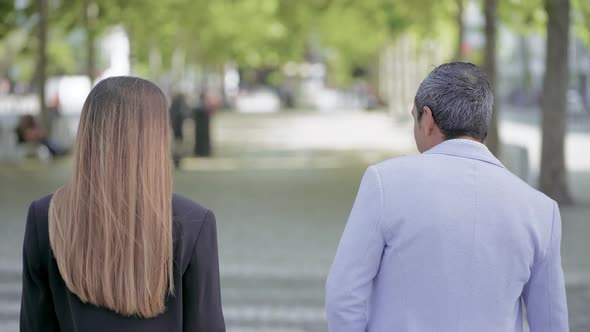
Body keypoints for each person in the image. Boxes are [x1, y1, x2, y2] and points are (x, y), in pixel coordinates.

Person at [325, 62, 568, 332]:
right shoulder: (541, 210)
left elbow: (344, 295)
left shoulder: (385, 183)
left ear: (426, 119)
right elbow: (551, 323)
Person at [20, 77, 225, 332]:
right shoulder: (193, 222)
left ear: (88, 134)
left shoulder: (47, 216)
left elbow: (35, 325)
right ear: (157, 138)